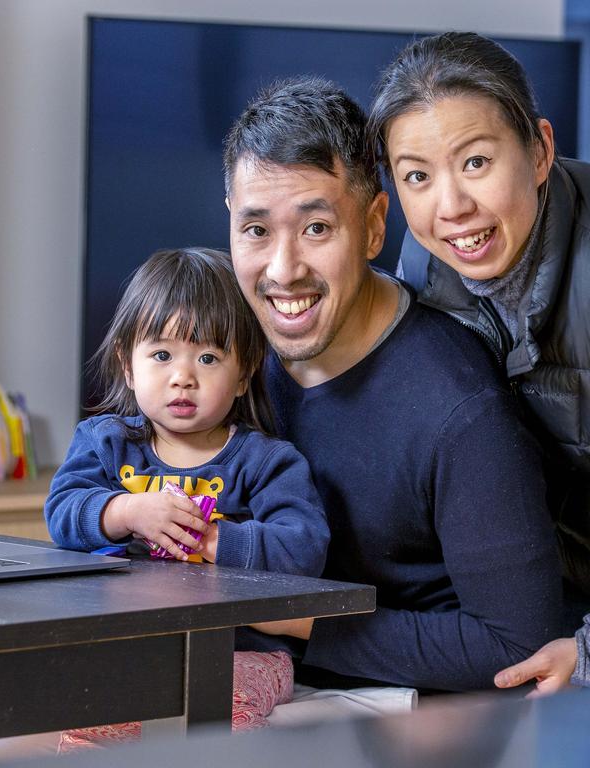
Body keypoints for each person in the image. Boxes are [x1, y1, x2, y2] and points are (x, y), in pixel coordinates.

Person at [223, 75, 562, 694]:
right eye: (256, 231)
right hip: (234, 677)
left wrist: (296, 619)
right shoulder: (226, 359)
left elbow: (520, 645)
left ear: (375, 226)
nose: (283, 269)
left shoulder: (460, 409)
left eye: (317, 228)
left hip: (402, 712)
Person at [0, 247, 329, 765]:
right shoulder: (107, 442)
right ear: (128, 364)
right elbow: (64, 513)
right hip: (126, 644)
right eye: (162, 354)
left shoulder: (265, 461)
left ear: (243, 375)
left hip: (239, 653)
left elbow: (304, 549)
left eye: (209, 357)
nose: (183, 377)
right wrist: (127, 510)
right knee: (53, 695)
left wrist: (214, 539)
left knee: (216, 721)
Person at [366, 31, 590, 694]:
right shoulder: (419, 275)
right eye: (417, 177)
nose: (451, 207)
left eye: (476, 162)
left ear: (540, 150)